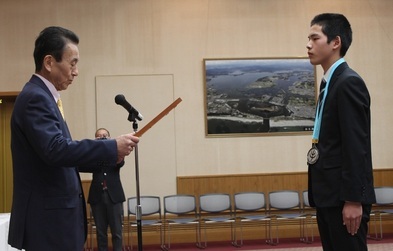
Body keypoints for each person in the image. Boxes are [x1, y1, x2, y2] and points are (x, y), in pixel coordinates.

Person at [8, 26, 139, 251]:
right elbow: (56, 150)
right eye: (73, 63)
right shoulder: (35, 98)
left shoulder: (44, 97)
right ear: (49, 62)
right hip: (49, 222)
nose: (76, 71)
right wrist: (109, 147)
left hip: (55, 220)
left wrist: (112, 155)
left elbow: (64, 158)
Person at [306, 13, 375, 251]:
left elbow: (357, 147)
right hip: (329, 196)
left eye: (315, 38)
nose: (308, 45)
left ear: (335, 42)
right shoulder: (329, 83)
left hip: (345, 199)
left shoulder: (348, 83)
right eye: (308, 39)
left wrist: (354, 200)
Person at [86, 128, 126, 251]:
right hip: (97, 197)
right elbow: (87, 165)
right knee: (100, 232)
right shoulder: (92, 155)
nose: (102, 137)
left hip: (114, 196)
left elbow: (119, 163)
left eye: (105, 136)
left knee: (117, 232)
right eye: (99, 136)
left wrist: (109, 147)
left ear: (110, 138)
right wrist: (95, 148)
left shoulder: (115, 153)